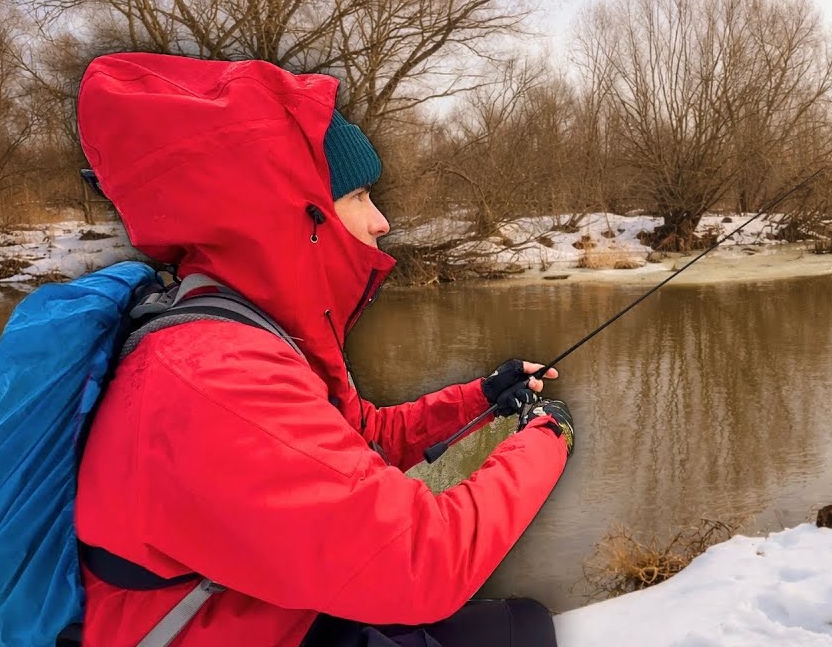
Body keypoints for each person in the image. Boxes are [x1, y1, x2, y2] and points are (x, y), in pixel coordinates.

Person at [74, 52, 575, 646]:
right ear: (300, 214)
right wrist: (548, 439)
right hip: (240, 630)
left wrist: (479, 399)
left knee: (520, 625)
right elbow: (422, 560)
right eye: (361, 195)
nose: (382, 220)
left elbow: (356, 440)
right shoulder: (211, 376)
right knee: (516, 634)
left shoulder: (241, 330)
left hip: (267, 615)